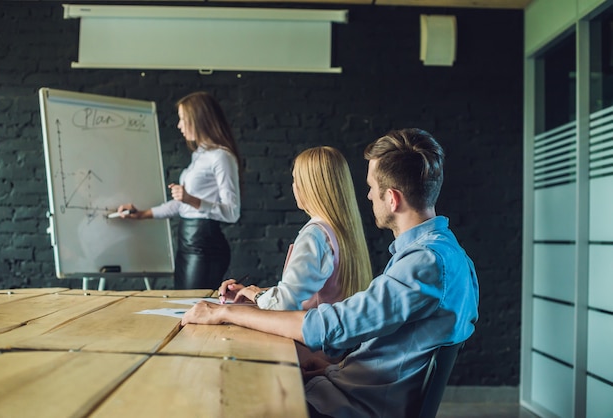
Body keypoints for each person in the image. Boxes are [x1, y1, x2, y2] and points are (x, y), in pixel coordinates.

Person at [181, 128, 479, 417]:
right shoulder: (450, 255)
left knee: (222, 396)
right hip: (356, 391)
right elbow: (396, 348)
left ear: (392, 198)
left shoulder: (424, 263)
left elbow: (330, 327)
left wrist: (223, 313)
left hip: (352, 406)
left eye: (372, 188)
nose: (368, 197)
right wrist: (333, 369)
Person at [219, 146, 372, 310]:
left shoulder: (315, 235)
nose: (293, 186)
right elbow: (300, 292)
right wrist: (250, 293)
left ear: (309, 186)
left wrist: (255, 295)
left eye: (295, 180)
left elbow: (284, 304)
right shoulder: (344, 231)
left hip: (312, 334)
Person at [117, 92, 241, 290]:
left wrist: (191, 199)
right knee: (182, 303)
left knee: (191, 305)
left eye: (183, 119)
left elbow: (232, 212)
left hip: (204, 243)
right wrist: (141, 214)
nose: (179, 125)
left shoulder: (221, 157)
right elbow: (182, 203)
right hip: (187, 240)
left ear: (199, 119)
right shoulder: (199, 156)